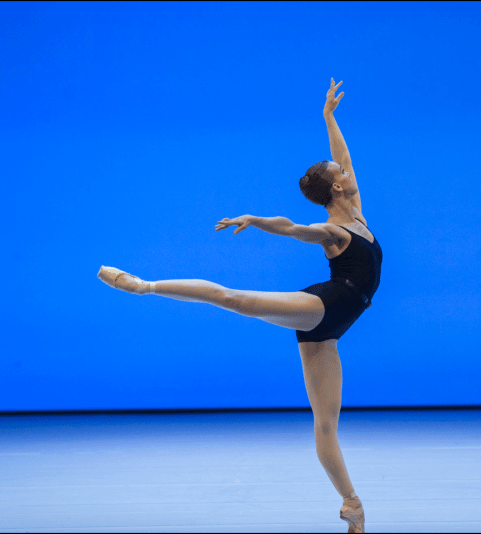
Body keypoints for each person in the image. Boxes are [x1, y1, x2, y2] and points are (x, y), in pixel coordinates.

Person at [97, 78, 378, 531]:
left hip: (333, 325)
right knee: (236, 299)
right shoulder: (334, 231)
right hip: (329, 304)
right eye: (339, 171)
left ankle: (352, 505)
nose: (345, 169)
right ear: (335, 189)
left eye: (341, 169)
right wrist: (255, 219)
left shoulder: (356, 207)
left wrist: (328, 116)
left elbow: (343, 156)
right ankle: (144, 285)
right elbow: (290, 228)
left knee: (326, 424)